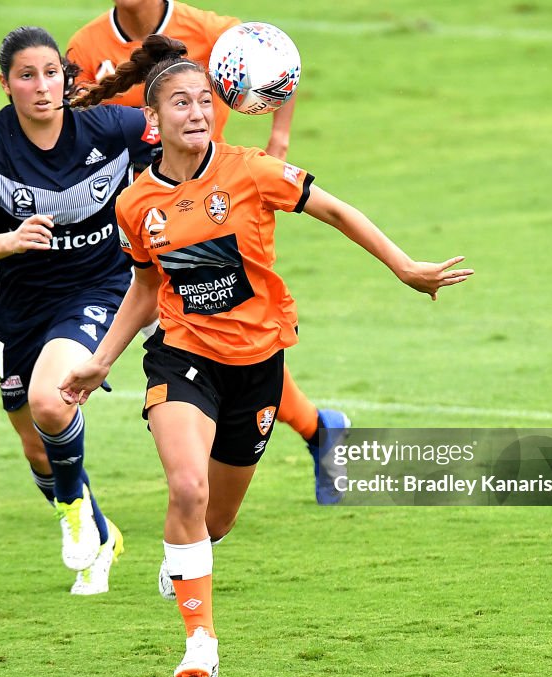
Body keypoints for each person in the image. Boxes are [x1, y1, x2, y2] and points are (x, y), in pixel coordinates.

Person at [60, 36, 473, 677]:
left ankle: (187, 552)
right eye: (180, 103)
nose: (196, 112)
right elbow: (144, 288)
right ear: (154, 120)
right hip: (182, 357)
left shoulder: (250, 171)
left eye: (204, 101)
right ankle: (200, 642)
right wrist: (97, 360)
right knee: (187, 489)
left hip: (257, 367)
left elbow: (334, 208)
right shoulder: (136, 204)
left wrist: (405, 266)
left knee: (214, 520)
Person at [67, 0, 352, 506]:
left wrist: (278, 140)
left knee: (225, 347)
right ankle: (313, 433)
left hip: (211, 222)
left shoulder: (207, 30)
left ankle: (309, 434)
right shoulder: (87, 46)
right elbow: (76, 134)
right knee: (211, 349)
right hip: (140, 222)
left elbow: (277, 62)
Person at [0, 26, 160, 595]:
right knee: (34, 439)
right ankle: (97, 528)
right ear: (6, 83)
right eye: (26, 75)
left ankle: (72, 511)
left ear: (65, 78)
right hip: (19, 305)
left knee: (51, 398)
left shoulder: (110, 127)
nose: (41, 87)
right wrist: (9, 241)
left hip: (99, 288)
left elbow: (182, 144)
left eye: (50, 73)